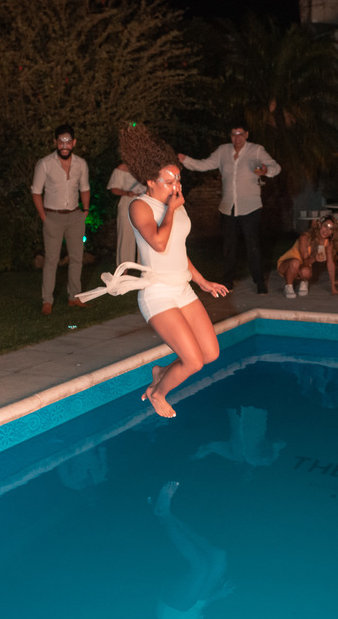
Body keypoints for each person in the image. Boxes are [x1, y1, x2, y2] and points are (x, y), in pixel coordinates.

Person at [84, 125, 227, 419]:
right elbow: (160, 244)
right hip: (158, 293)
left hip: (182, 288)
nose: (176, 185)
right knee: (193, 361)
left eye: (179, 179)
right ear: (151, 181)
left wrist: (202, 281)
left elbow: (178, 250)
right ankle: (157, 393)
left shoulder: (176, 204)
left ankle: (162, 371)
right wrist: (171, 210)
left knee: (211, 353)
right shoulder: (140, 206)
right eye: (169, 180)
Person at [103, 481, 232, 619]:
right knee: (218, 557)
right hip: (195, 612)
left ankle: (164, 514)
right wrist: (217, 596)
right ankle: (167, 517)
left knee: (200, 566)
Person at [179, 125, 280, 294]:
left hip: (250, 206)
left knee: (253, 246)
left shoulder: (256, 150)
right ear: (230, 136)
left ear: (246, 135)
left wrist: (266, 171)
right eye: (234, 134)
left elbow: (276, 167)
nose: (237, 138)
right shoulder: (223, 151)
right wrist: (185, 160)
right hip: (228, 207)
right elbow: (204, 164)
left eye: (240, 134)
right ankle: (228, 281)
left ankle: (259, 282)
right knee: (228, 246)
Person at [32, 124, 91, 315]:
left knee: (76, 258)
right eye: (61, 141)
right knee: (51, 260)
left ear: (74, 143)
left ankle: (74, 297)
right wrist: (44, 217)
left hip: (75, 216)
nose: (64, 145)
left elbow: (85, 188)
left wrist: (85, 211)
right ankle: (47, 301)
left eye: (68, 141)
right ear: (55, 142)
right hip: (53, 217)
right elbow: (36, 192)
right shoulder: (45, 164)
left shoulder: (81, 164)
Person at [276, 215, 338, 298]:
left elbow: (330, 264)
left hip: (302, 267)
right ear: (319, 224)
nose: (327, 230)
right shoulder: (305, 237)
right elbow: (304, 261)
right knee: (295, 262)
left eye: (331, 228)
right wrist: (315, 258)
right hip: (286, 266)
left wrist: (333, 287)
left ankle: (303, 281)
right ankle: (288, 286)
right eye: (325, 226)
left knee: (306, 271)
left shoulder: (328, 242)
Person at [107, 162, 145, 267]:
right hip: (127, 203)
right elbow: (114, 189)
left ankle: (145, 268)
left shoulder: (146, 166)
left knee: (145, 236)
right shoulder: (121, 168)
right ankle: (124, 268)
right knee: (125, 236)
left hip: (144, 203)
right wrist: (127, 193)